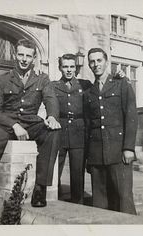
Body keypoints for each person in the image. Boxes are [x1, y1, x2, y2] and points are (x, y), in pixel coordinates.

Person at [0, 39, 61, 225]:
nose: (24, 59)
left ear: (34, 58)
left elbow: (51, 99)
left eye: (28, 55)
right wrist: (13, 125)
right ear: (14, 55)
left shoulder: (42, 79)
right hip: (5, 124)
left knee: (53, 132)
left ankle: (40, 188)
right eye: (21, 55)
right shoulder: (3, 79)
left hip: (31, 121)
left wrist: (52, 116)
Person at [84, 47, 138, 214]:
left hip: (118, 153)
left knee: (124, 199)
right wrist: (88, 156)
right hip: (96, 154)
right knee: (100, 202)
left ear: (106, 62)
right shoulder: (88, 92)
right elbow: (88, 125)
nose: (96, 65)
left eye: (99, 60)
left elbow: (131, 117)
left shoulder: (121, 85)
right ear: (89, 65)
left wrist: (128, 148)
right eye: (92, 61)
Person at [52, 54, 92, 204]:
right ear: (60, 68)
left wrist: (118, 77)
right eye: (65, 67)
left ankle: (78, 201)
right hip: (60, 130)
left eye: (72, 67)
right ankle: (54, 199)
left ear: (76, 68)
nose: (69, 70)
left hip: (78, 131)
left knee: (77, 171)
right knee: (56, 168)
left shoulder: (85, 84)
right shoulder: (53, 85)